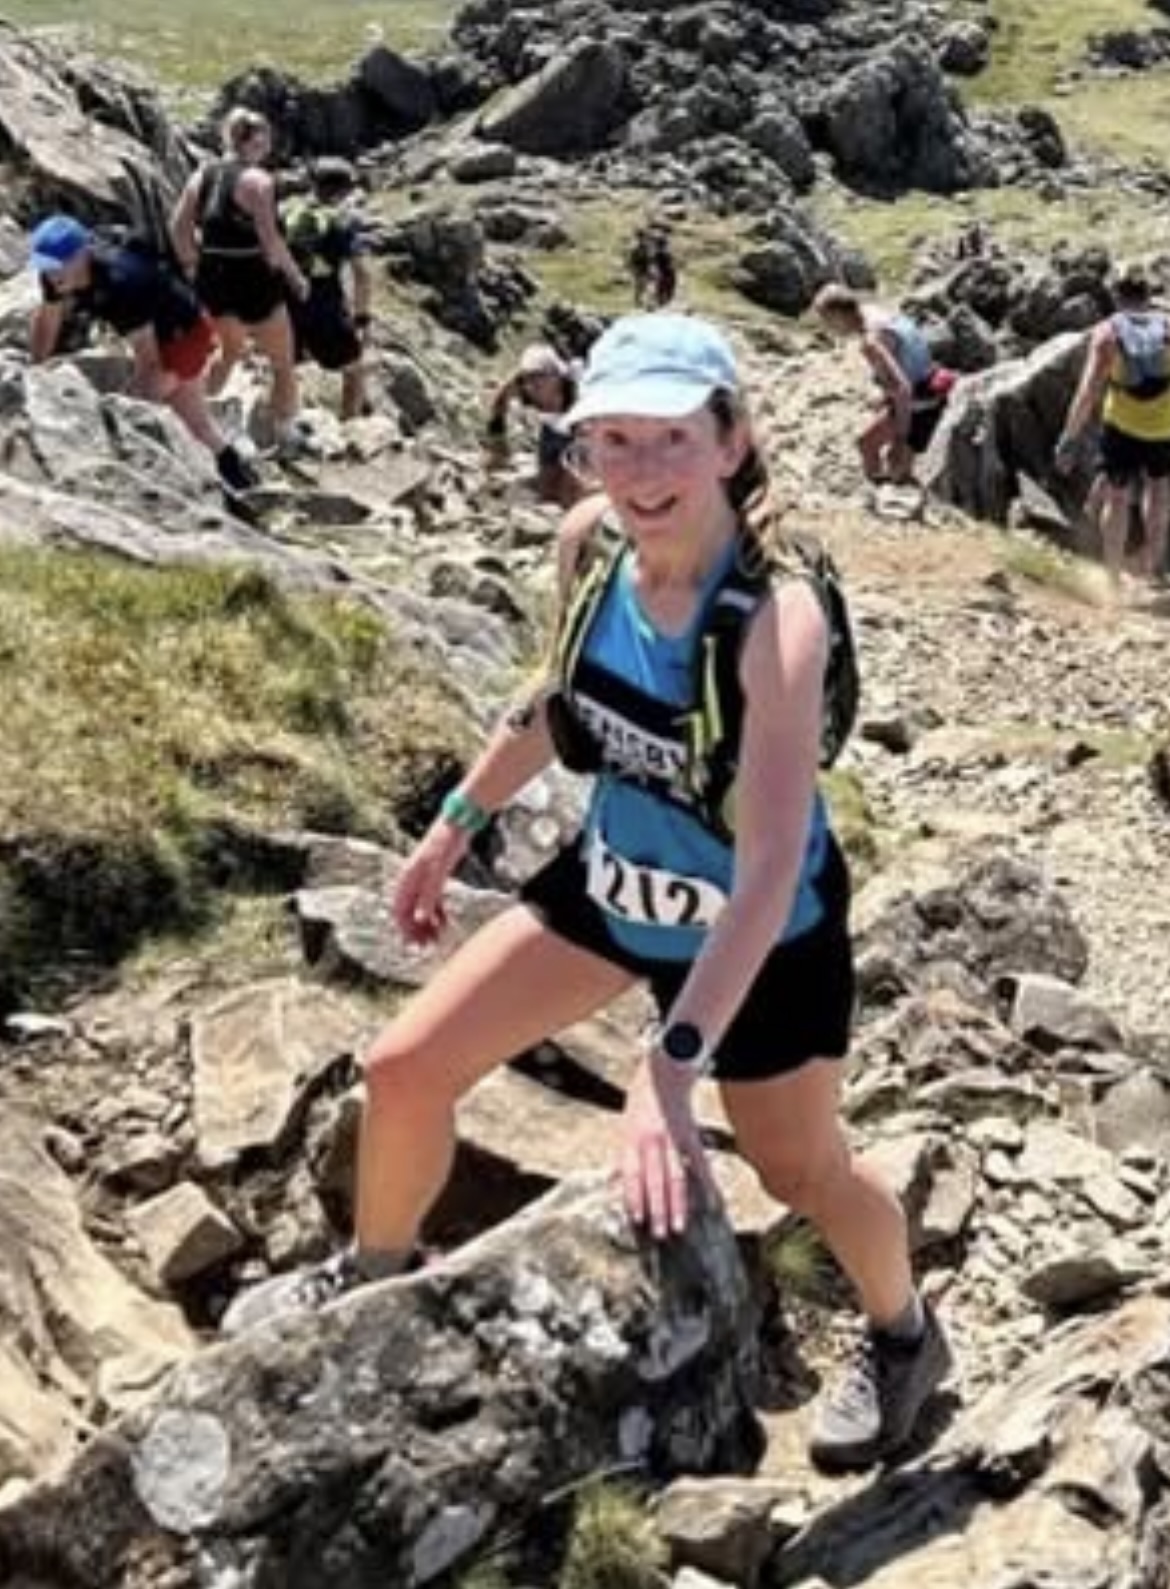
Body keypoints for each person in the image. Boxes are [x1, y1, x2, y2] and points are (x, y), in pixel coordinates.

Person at [222, 312, 952, 1474]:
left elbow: (766, 865)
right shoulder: (588, 545)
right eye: (614, 440)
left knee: (799, 1169)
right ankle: (374, 1286)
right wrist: (450, 830)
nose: (640, 472)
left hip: (764, 938)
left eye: (669, 439)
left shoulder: (776, 623)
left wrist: (668, 1073)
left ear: (731, 441)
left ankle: (905, 1330)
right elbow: (556, 697)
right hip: (615, 885)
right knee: (403, 1069)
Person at [27, 213, 258, 496]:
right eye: (44, 267)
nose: (51, 275)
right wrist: (35, 373)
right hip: (170, 327)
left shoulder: (122, 282)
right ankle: (247, 483)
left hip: (185, 338)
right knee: (197, 426)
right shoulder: (58, 275)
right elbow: (48, 317)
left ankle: (131, 491)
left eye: (56, 266)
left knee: (124, 417)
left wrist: (126, 405)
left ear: (81, 255)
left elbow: (150, 364)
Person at [171, 107, 311, 458]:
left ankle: (196, 418)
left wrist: (191, 265)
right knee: (282, 359)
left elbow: (177, 228)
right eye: (265, 134)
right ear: (255, 139)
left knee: (228, 350)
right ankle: (286, 433)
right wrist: (295, 276)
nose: (269, 142)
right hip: (252, 275)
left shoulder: (201, 176)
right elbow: (271, 238)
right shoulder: (258, 180)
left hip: (212, 276)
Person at [1056, 262, 1170, 585]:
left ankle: (1112, 577)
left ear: (1116, 297)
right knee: (1159, 492)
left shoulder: (1107, 332)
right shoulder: (1167, 327)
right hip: (1164, 427)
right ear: (1148, 295)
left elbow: (1088, 390)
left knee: (1117, 497)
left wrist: (1069, 436)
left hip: (1121, 427)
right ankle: (1152, 567)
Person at [813, 283, 956, 487]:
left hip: (918, 402)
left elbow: (902, 389)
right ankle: (897, 496)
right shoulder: (875, 312)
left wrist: (900, 438)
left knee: (868, 446)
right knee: (899, 468)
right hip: (933, 387)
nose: (827, 327)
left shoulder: (872, 342)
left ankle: (878, 497)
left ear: (839, 315)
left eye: (827, 320)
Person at [279, 157, 373, 422]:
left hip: (286, 304)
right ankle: (350, 427)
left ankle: (288, 423)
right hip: (325, 307)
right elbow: (362, 274)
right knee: (354, 369)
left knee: (287, 368)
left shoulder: (286, 213)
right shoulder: (342, 222)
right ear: (343, 191)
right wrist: (362, 317)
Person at [484, 343, 585, 507]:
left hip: (580, 433)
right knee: (547, 490)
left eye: (539, 377)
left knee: (570, 491)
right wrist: (497, 444)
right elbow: (499, 403)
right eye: (528, 378)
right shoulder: (522, 386)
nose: (532, 385)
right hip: (551, 430)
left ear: (556, 376)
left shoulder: (577, 387)